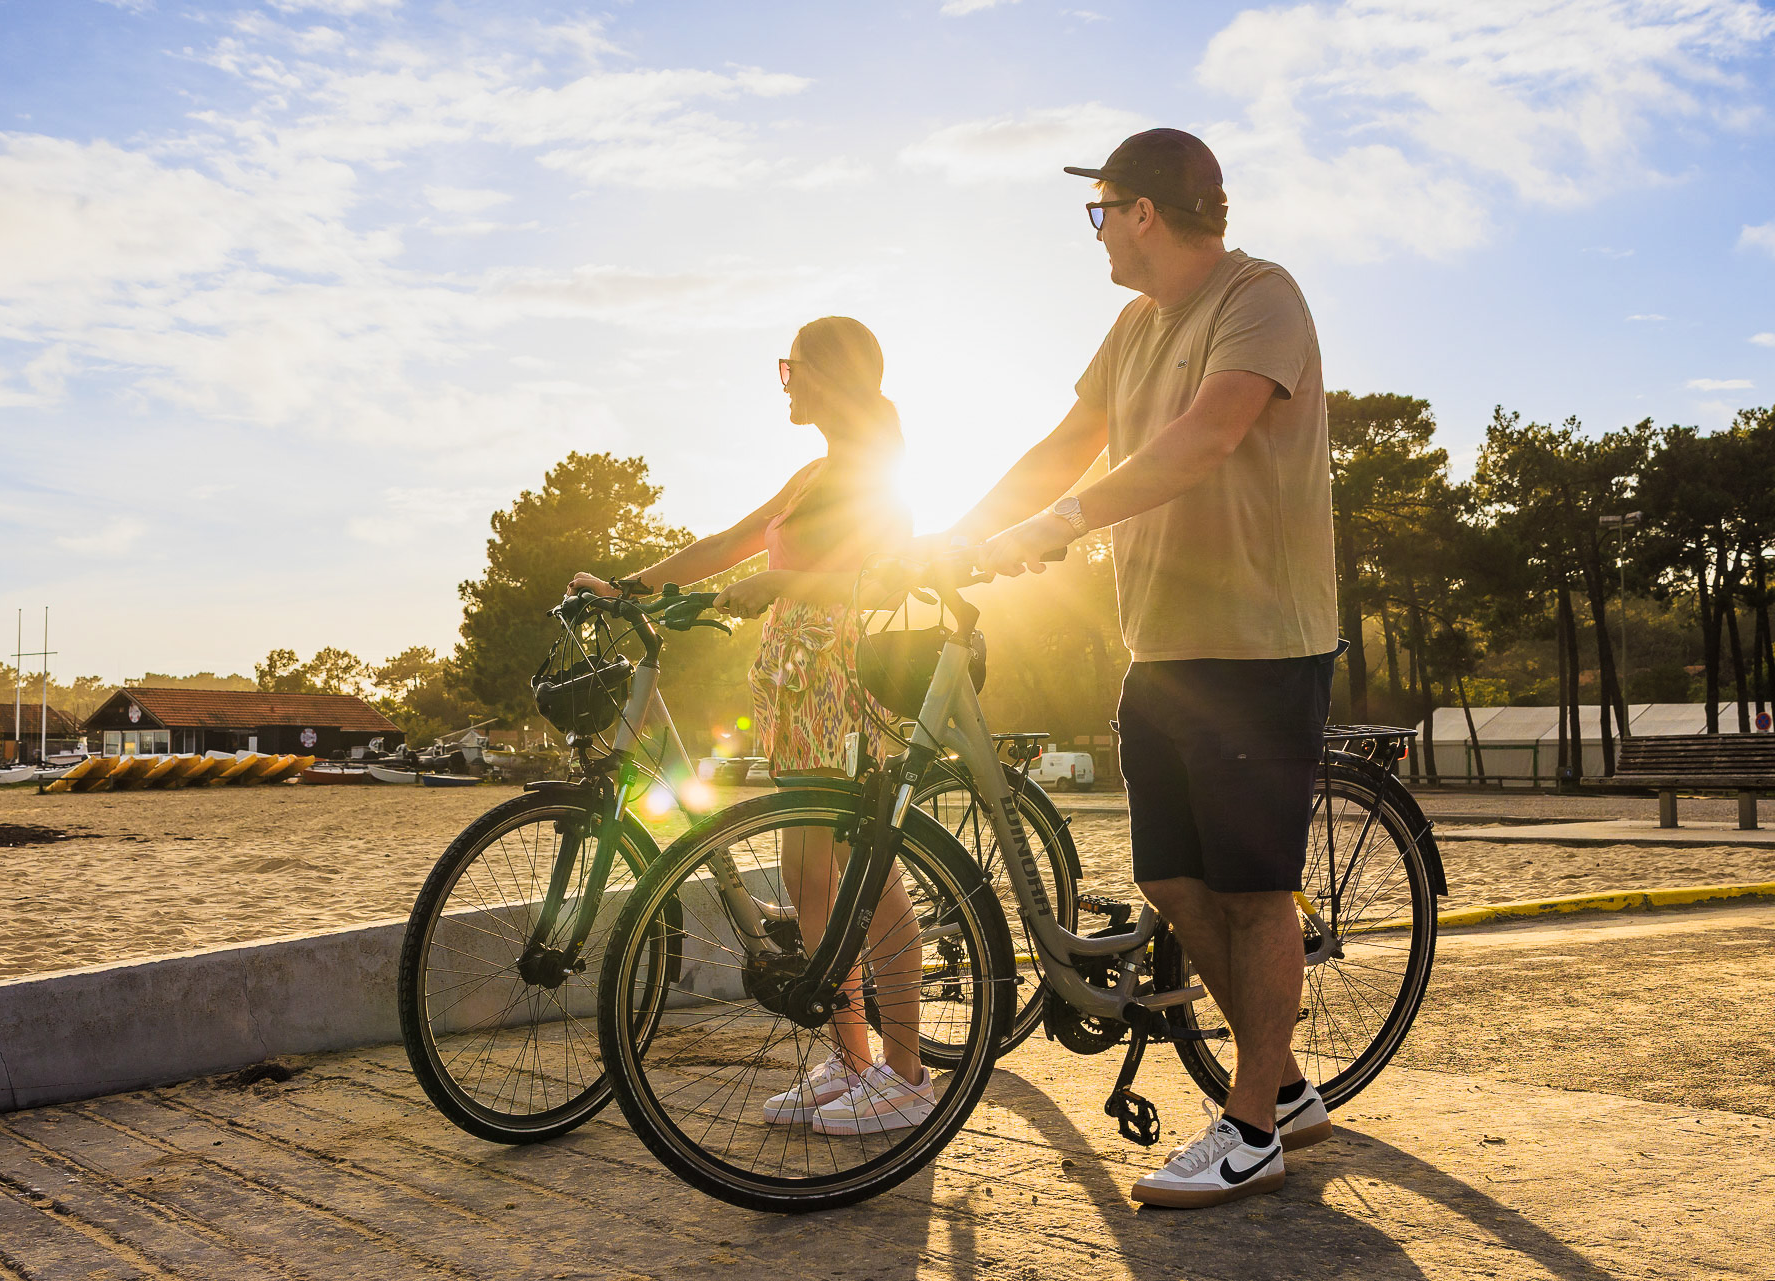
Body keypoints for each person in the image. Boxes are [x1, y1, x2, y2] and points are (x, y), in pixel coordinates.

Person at [953, 129, 1339, 1209]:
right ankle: (1287, 1085)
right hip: (1160, 647)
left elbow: (1207, 437)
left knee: (1255, 894)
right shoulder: (1132, 327)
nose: (1097, 235)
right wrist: (958, 529)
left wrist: (1061, 523)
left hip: (1257, 645)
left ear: (1145, 214)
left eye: (1102, 212)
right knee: (1173, 880)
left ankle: (1253, 1127)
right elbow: (1065, 442)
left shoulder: (1260, 297)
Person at [568, 315, 934, 1135]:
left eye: (792, 367)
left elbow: (882, 577)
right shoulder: (814, 473)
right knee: (807, 875)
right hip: (792, 682)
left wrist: (783, 587)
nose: (785, 382)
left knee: (868, 874)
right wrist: (630, 587)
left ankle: (907, 1074)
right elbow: (732, 540)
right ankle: (852, 1058)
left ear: (832, 375)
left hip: (846, 676)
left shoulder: (879, 471)